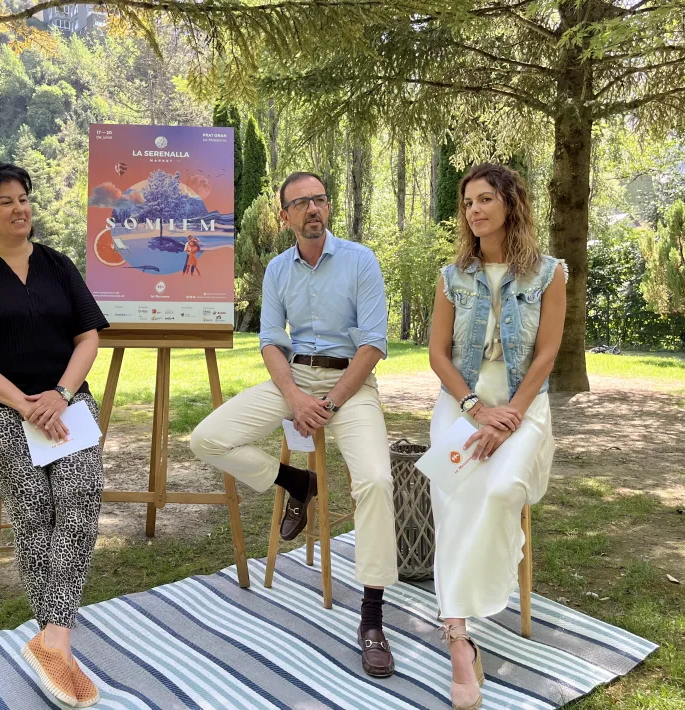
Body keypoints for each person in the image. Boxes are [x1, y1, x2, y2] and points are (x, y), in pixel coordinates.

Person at [190, 171, 399, 678]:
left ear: (328, 208)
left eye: (319, 200)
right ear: (284, 216)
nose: (312, 210)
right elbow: (270, 340)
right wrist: (294, 396)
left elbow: (372, 344)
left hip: (351, 384)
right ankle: (295, 483)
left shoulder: (360, 260)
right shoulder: (279, 270)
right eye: (300, 203)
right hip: (294, 380)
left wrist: (327, 404)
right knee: (206, 438)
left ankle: (372, 618)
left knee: (376, 480)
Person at [0, 162, 109, 708]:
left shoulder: (57, 265)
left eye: (24, 198)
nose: (19, 208)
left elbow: (88, 339)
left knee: (81, 491)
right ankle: (57, 641)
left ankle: (53, 638)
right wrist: (25, 404)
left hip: (64, 401)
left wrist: (58, 393)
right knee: (33, 504)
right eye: (6, 201)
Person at [428, 163, 566, 710]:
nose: (474, 210)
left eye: (485, 199)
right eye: (467, 203)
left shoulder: (549, 273)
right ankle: (459, 639)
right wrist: (473, 410)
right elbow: (438, 355)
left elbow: (548, 352)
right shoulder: (451, 276)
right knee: (454, 492)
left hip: (523, 403)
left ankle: (478, 587)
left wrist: (509, 413)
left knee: (503, 490)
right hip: (461, 401)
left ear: (510, 203)